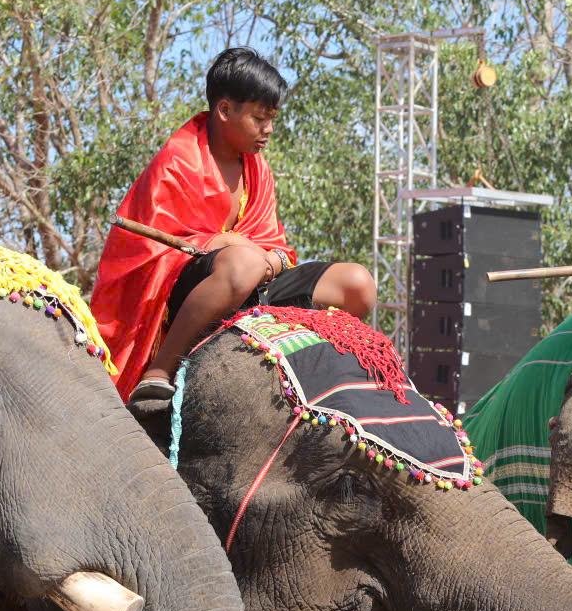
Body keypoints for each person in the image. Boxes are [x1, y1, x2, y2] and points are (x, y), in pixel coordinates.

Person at [91, 48, 376, 402]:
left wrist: (265, 258)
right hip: (190, 289)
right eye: (259, 118)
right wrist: (222, 243)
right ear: (225, 110)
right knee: (243, 263)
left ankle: (309, 369)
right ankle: (160, 370)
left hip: (257, 278)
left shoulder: (258, 169)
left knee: (357, 284)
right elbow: (147, 256)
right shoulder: (178, 161)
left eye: (272, 118)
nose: (268, 129)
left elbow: (276, 246)